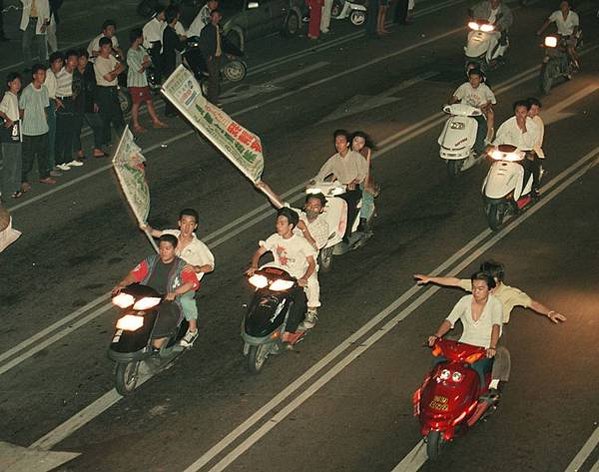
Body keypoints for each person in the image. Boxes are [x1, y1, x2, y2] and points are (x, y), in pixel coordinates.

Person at [415, 260, 566, 400]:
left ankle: (494, 386)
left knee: (501, 354)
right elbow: (455, 282)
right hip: (472, 328)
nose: (478, 289)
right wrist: (430, 278)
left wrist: (550, 312)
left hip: (496, 332)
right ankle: (432, 381)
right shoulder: (478, 286)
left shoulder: (510, 293)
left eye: (488, 282)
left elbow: (532, 304)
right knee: (444, 348)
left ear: (497, 280)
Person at [256, 182, 329, 327]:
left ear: (321, 209)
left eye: (316, 206)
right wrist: (264, 187)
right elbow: (280, 204)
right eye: (310, 205)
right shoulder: (297, 215)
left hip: (305, 264)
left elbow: (315, 247)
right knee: (262, 274)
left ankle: (312, 311)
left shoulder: (323, 226)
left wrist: (304, 230)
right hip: (284, 261)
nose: (312, 208)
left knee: (312, 283)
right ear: (305, 205)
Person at [140, 209, 215, 348]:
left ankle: (192, 330)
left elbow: (210, 266)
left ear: (195, 226)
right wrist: (145, 227)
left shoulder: (199, 246)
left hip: (187, 282)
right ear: (179, 223)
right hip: (168, 278)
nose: (187, 227)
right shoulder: (172, 234)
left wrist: (196, 268)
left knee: (186, 300)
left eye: (191, 224)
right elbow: (154, 233)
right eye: (184, 223)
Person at [113, 234, 199, 350]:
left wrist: (174, 293)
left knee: (163, 322)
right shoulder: (151, 261)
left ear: (175, 249)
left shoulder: (182, 266)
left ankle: (156, 350)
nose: (164, 252)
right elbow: (135, 273)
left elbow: (191, 282)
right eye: (161, 248)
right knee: (128, 315)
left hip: (168, 303)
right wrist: (123, 283)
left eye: (167, 249)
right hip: (146, 298)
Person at [247, 208, 318, 342]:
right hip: (279, 270)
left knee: (299, 299)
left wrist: (304, 278)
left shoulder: (301, 242)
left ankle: (290, 330)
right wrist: (254, 266)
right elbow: (258, 253)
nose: (278, 226)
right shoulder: (274, 238)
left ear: (291, 226)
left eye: (282, 223)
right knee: (260, 289)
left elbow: (311, 263)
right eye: (277, 222)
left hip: (295, 274)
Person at [428, 271, 502, 390]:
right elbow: (449, 320)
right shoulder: (465, 301)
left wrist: (492, 347)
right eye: (474, 288)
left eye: (481, 288)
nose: (476, 292)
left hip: (483, 350)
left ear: (490, 290)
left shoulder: (495, 304)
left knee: (477, 369)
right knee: (439, 362)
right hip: (463, 346)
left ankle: (480, 395)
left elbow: (496, 326)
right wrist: (437, 335)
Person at [314, 129, 368, 242]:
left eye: (341, 141)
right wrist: (313, 182)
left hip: (353, 188)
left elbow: (363, 172)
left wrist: (354, 182)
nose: (338, 144)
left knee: (349, 204)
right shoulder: (334, 160)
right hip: (339, 188)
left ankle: (347, 233)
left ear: (348, 143)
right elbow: (322, 173)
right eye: (336, 142)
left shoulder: (356, 157)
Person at [19, 64, 55, 192]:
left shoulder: (44, 89)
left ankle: (44, 176)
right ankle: (23, 180)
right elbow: (21, 110)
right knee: (27, 158)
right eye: (40, 74)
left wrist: (45, 123)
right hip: (29, 131)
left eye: (44, 74)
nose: (43, 76)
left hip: (42, 129)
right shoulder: (27, 91)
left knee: (43, 155)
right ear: (34, 75)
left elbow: (45, 108)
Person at [493, 99, 541, 194]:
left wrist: (524, 128)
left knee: (531, 165)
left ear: (527, 113)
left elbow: (530, 144)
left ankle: (529, 189)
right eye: (517, 112)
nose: (519, 115)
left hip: (523, 153)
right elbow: (499, 137)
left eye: (523, 113)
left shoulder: (533, 126)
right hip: (507, 153)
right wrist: (492, 147)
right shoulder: (508, 124)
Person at [127, 28, 168, 133]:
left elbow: (149, 61)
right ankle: (136, 125)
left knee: (149, 101)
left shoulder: (140, 49)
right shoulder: (131, 54)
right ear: (137, 38)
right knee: (136, 103)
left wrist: (145, 63)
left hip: (143, 82)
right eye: (141, 37)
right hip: (136, 83)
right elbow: (139, 69)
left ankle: (156, 120)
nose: (142, 39)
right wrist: (145, 63)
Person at [450, 68, 496, 153]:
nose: (473, 81)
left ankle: (480, 145)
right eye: (471, 78)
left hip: (477, 112)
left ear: (480, 79)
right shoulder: (465, 86)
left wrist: (485, 108)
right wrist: (449, 105)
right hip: (463, 111)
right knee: (452, 121)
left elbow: (491, 101)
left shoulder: (485, 89)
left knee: (481, 125)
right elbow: (455, 97)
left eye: (476, 79)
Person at [73, 49, 107, 159]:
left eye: (84, 59)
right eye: (81, 59)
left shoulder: (90, 68)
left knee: (98, 125)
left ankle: (97, 149)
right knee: (76, 129)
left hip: (88, 102)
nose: (83, 61)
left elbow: (94, 85)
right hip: (76, 104)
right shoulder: (73, 71)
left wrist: (96, 101)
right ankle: (79, 152)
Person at [54, 49, 84, 170]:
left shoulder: (75, 73)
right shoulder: (59, 73)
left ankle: (68, 158)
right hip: (62, 102)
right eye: (72, 60)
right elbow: (49, 88)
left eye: (76, 60)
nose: (75, 63)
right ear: (66, 61)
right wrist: (55, 99)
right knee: (61, 133)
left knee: (70, 132)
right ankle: (59, 161)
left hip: (71, 102)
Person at [93, 36, 125, 146]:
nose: (107, 50)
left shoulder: (110, 57)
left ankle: (124, 137)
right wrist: (116, 71)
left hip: (113, 89)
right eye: (105, 47)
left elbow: (122, 66)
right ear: (100, 48)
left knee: (118, 115)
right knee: (106, 117)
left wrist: (114, 71)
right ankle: (106, 140)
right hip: (104, 91)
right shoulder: (99, 62)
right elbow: (109, 78)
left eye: (109, 47)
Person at [537, 0, 580, 70]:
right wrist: (540, 31)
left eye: (565, 5)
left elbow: (576, 27)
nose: (562, 6)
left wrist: (573, 36)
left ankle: (574, 62)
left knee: (569, 49)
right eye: (562, 5)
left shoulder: (574, 15)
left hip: (571, 35)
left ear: (569, 7)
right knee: (551, 47)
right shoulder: (556, 14)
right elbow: (548, 21)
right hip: (560, 35)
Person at [0, 73, 23, 200]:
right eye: (15, 83)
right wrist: (7, 119)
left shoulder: (15, 96)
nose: (18, 85)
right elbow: (1, 110)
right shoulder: (8, 96)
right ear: (9, 84)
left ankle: (15, 188)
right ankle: (6, 191)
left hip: (17, 131)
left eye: (19, 82)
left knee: (17, 161)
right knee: (9, 163)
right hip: (10, 134)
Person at [351, 131, 379, 232]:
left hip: (361, 179)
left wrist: (366, 184)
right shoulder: (345, 150)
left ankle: (363, 220)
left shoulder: (366, 151)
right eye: (356, 141)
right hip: (346, 180)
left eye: (361, 142)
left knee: (366, 195)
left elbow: (366, 169)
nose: (358, 144)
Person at [162, 6, 185, 116]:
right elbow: (178, 46)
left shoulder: (168, 31)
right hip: (171, 63)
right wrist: (182, 40)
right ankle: (170, 110)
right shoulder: (170, 32)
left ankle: (173, 109)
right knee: (172, 87)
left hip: (169, 62)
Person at [199, 9, 225, 105]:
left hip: (218, 55)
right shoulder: (207, 29)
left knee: (215, 78)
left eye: (216, 17)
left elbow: (221, 41)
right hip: (211, 56)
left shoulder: (218, 28)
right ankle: (213, 101)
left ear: (220, 18)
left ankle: (211, 99)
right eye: (213, 16)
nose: (214, 19)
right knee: (213, 78)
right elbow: (202, 44)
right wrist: (208, 55)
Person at [44, 51, 63, 174]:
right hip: (47, 106)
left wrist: (56, 99)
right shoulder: (48, 75)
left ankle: (51, 165)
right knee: (50, 138)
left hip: (51, 105)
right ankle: (49, 167)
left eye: (61, 62)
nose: (60, 65)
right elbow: (44, 94)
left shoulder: (54, 75)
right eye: (57, 62)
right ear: (52, 64)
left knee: (52, 137)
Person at [20, 0, 50, 71]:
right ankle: (28, 65)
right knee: (25, 45)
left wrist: (45, 24)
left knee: (41, 45)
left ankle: (42, 65)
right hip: (28, 22)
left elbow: (47, 11)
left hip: (39, 22)